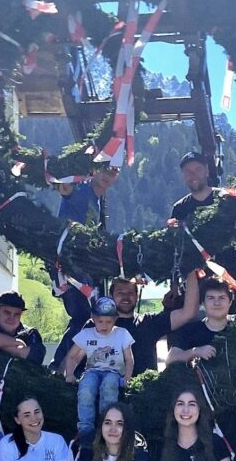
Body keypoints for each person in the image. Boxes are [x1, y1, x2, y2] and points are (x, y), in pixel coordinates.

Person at [166, 276, 236, 451]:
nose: (216, 303)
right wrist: (195, 351)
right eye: (211, 298)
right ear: (203, 303)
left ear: (230, 302)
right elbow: (171, 359)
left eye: (221, 298)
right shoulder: (191, 330)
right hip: (204, 409)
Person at [50, 164, 121, 372]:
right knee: (81, 314)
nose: (108, 175)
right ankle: (59, 366)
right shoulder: (82, 189)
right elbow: (64, 186)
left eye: (114, 171)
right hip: (69, 265)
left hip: (84, 269)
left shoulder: (97, 202)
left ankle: (76, 366)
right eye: (104, 169)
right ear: (93, 170)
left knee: (88, 316)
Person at [171, 152, 236, 311]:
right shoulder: (180, 208)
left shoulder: (228, 199)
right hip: (199, 282)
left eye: (197, 169)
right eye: (188, 171)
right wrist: (174, 285)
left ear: (206, 171)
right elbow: (176, 250)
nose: (193, 175)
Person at [106, 271, 200, 377]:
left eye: (130, 293)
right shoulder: (98, 326)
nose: (126, 297)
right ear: (111, 297)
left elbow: (189, 312)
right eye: (120, 293)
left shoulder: (149, 322)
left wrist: (191, 270)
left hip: (144, 390)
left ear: (137, 296)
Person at [64, 297, 134, 438]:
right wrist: (69, 374)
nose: (104, 325)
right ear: (93, 318)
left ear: (115, 319)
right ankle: (85, 428)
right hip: (92, 371)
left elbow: (129, 358)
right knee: (86, 388)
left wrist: (127, 376)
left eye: (108, 321)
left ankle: (106, 424)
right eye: (100, 321)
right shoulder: (86, 334)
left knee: (109, 386)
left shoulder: (122, 334)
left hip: (114, 372)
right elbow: (72, 356)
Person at [0, 290, 46, 366]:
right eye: (7, 312)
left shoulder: (30, 333)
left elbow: (37, 356)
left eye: (16, 314)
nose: (12, 317)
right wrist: (17, 342)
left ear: (21, 314)